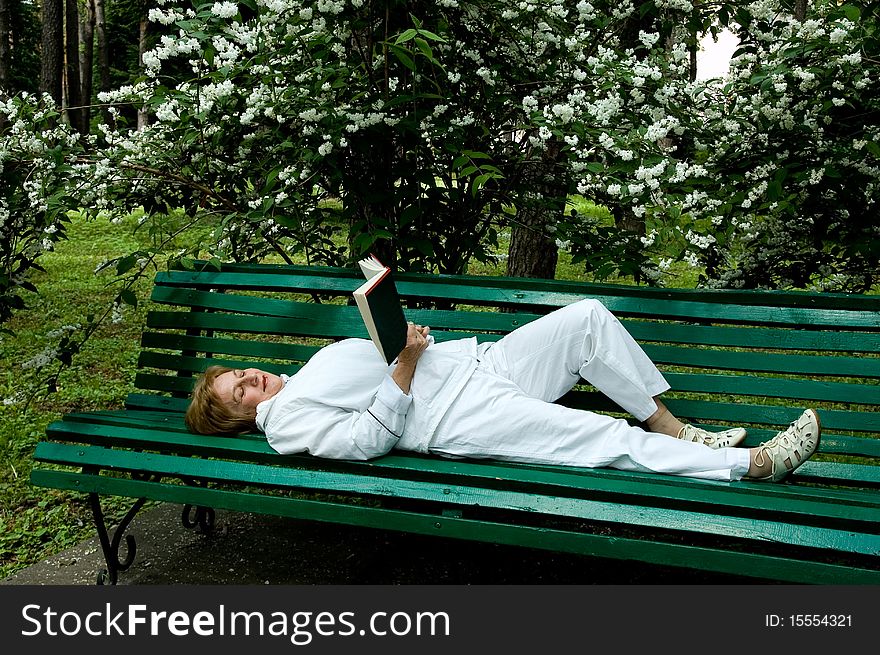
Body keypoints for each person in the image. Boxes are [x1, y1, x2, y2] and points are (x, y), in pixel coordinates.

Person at [185, 298, 820, 483]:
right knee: (600, 438)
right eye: (237, 393)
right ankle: (751, 464)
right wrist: (405, 362)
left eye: (239, 374)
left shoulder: (305, 373)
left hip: (482, 363)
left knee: (586, 320)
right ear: (241, 418)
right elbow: (365, 440)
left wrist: (400, 336)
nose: (249, 380)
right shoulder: (286, 423)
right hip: (461, 416)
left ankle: (676, 430)